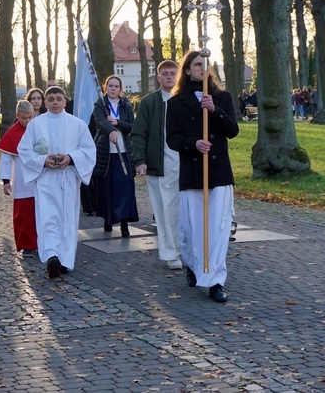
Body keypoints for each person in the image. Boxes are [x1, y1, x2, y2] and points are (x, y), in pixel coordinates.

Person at [166, 50, 239, 303]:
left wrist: (215, 110)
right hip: (193, 172)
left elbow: (233, 130)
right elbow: (172, 138)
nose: (201, 68)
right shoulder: (176, 103)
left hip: (218, 173)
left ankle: (215, 281)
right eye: (197, 64)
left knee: (217, 229)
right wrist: (193, 144)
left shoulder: (222, 97)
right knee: (191, 229)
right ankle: (193, 266)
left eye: (205, 65)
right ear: (187, 70)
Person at [18, 86, 96, 278]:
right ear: (45, 102)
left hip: (68, 178)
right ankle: (52, 255)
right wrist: (43, 160)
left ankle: (66, 260)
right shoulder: (36, 125)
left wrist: (70, 157)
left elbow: (88, 150)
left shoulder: (77, 124)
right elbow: (25, 150)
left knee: (67, 220)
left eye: (58, 99)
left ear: (65, 101)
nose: (54, 102)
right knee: (48, 218)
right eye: (51, 99)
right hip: (46, 179)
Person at [130, 60, 183, 270]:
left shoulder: (185, 100)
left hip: (186, 164)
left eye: (173, 73)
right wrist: (140, 160)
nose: (169, 77)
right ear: (158, 77)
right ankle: (171, 253)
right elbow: (138, 133)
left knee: (185, 211)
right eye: (165, 74)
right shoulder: (150, 103)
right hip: (159, 165)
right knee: (165, 211)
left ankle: (187, 249)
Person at [92, 75, 138, 237]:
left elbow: (132, 126)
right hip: (106, 153)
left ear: (120, 89)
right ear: (106, 88)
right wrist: (110, 129)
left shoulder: (125, 105)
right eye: (110, 86)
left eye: (116, 86)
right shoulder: (100, 104)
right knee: (107, 188)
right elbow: (100, 121)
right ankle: (108, 219)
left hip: (124, 152)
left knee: (124, 188)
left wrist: (117, 123)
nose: (113, 89)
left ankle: (124, 222)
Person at [0, 100, 38, 257]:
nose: (27, 121)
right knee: (24, 214)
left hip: (39, 178)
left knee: (40, 212)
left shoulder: (38, 129)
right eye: (24, 118)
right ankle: (26, 244)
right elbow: (6, 160)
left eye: (30, 117)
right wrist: (6, 181)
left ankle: (41, 242)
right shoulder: (12, 134)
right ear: (17, 116)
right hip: (21, 179)